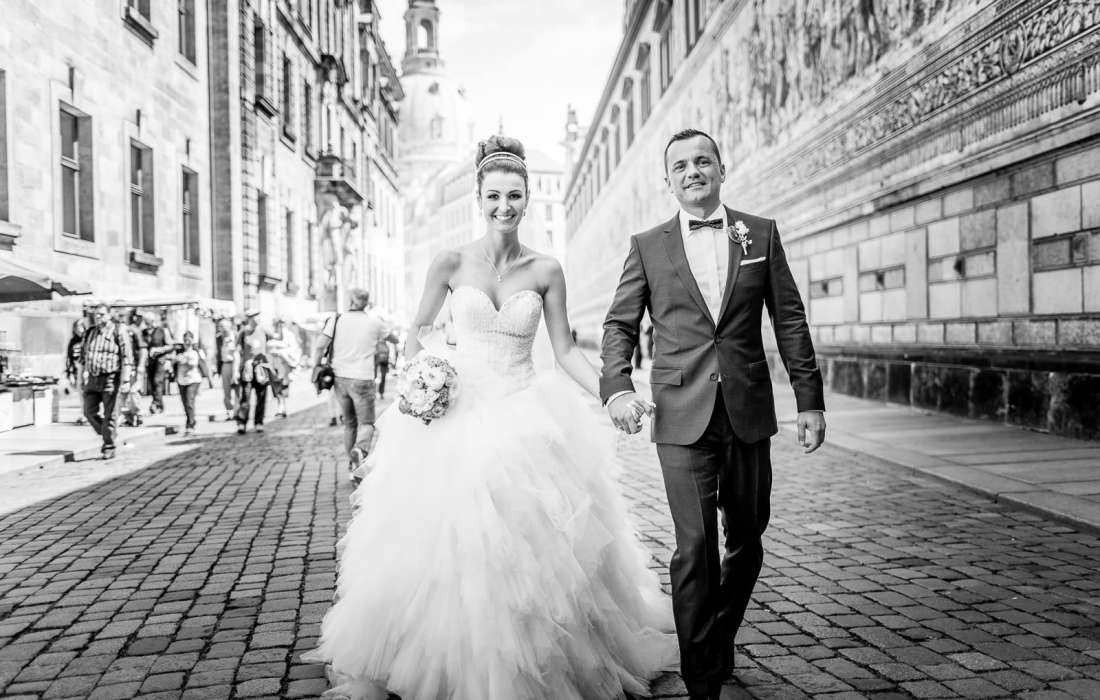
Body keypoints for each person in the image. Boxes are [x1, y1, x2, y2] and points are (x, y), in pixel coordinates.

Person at [304, 136, 677, 700]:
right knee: (454, 540)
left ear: (528, 198)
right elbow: (417, 333)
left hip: (528, 412)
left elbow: (565, 350)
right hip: (461, 415)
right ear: (479, 199)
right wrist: (428, 375)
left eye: (515, 196)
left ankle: (542, 660)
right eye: (495, 196)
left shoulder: (546, 269)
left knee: (540, 545)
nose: (505, 206)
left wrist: (614, 393)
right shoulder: (451, 263)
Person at [600, 128, 827, 700]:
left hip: (747, 410)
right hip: (680, 413)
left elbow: (789, 317)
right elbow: (620, 324)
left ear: (722, 169)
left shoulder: (760, 233)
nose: (693, 171)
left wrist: (809, 399)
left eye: (703, 161)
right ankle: (702, 679)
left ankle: (718, 638)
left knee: (747, 540)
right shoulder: (647, 246)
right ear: (668, 180)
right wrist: (616, 387)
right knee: (695, 547)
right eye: (680, 165)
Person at [311, 289, 390, 479]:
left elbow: (320, 345)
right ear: (367, 302)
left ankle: (352, 467)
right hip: (363, 378)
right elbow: (393, 338)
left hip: (340, 378)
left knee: (349, 423)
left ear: (351, 301)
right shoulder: (375, 322)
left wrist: (316, 365)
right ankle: (360, 451)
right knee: (367, 423)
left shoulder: (336, 319)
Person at [80, 304, 134, 460]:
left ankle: (108, 446)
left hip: (110, 378)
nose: (98, 317)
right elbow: (83, 357)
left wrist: (126, 380)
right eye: (96, 314)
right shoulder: (90, 332)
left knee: (110, 414)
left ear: (109, 315)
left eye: (102, 314)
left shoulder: (118, 330)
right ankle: (108, 432)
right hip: (92, 378)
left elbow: (127, 357)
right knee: (88, 412)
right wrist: (80, 377)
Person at [236, 311, 270, 434]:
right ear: (250, 318)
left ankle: (259, 422)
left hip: (261, 368)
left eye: (258, 316)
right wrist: (237, 369)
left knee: (261, 396)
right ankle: (242, 422)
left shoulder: (263, 331)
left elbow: (276, 339)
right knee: (245, 396)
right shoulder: (243, 332)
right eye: (255, 316)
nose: (258, 318)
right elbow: (237, 351)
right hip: (248, 368)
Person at [173, 330, 208, 436]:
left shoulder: (196, 351)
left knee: (189, 402)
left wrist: (183, 360)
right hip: (181, 381)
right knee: (185, 404)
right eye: (185, 340)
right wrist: (175, 360)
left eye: (189, 340)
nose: (187, 342)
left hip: (193, 380)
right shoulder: (179, 351)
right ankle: (191, 420)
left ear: (192, 340)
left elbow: (193, 364)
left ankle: (190, 425)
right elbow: (173, 362)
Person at [267, 317, 301, 418]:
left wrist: (280, 352)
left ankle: (282, 407)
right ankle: (280, 407)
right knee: (276, 387)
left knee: (283, 386)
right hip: (273, 364)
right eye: (277, 323)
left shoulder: (289, 335)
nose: (278, 325)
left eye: (280, 323)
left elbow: (294, 349)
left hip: (284, 364)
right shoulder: (271, 335)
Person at [143, 312, 175, 414]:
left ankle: (156, 404)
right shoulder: (143, 332)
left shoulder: (162, 331)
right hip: (149, 362)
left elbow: (171, 346)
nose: (147, 324)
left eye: (148, 322)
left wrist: (159, 350)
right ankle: (159, 404)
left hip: (160, 360)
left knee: (157, 381)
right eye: (145, 322)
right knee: (152, 383)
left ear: (153, 321)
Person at [119, 313, 148, 428]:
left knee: (133, 391)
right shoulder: (112, 331)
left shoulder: (133, 331)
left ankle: (137, 414)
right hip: (120, 368)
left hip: (133, 367)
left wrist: (141, 366)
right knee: (122, 393)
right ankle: (128, 417)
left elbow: (143, 349)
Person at [214, 318, 241, 421]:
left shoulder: (236, 335)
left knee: (238, 389)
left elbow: (239, 351)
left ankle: (238, 412)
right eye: (220, 326)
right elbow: (218, 354)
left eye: (224, 326)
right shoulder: (219, 338)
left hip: (236, 363)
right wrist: (217, 370)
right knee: (226, 391)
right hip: (225, 365)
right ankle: (229, 411)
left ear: (229, 326)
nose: (222, 329)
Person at [372, 321, 399, 399]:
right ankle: (377, 393)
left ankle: (379, 393)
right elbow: (396, 340)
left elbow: (396, 341)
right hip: (378, 356)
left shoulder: (379, 333)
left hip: (381, 357)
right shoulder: (381, 332)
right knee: (375, 376)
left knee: (379, 376)